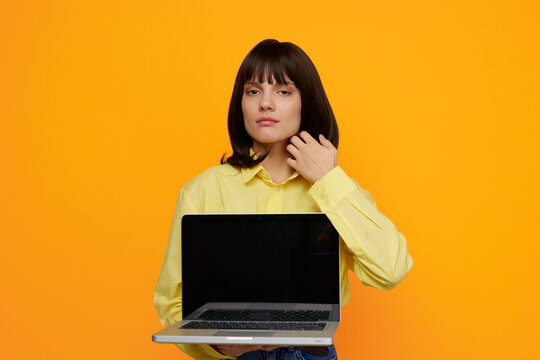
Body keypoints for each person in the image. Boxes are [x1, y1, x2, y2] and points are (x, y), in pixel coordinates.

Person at [154, 39, 414, 360]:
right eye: (253, 91)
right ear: (241, 104)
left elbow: (391, 269)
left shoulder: (338, 190)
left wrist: (327, 180)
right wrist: (219, 344)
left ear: (307, 103)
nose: (265, 103)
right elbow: (173, 300)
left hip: (310, 353)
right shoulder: (202, 191)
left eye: (283, 91)